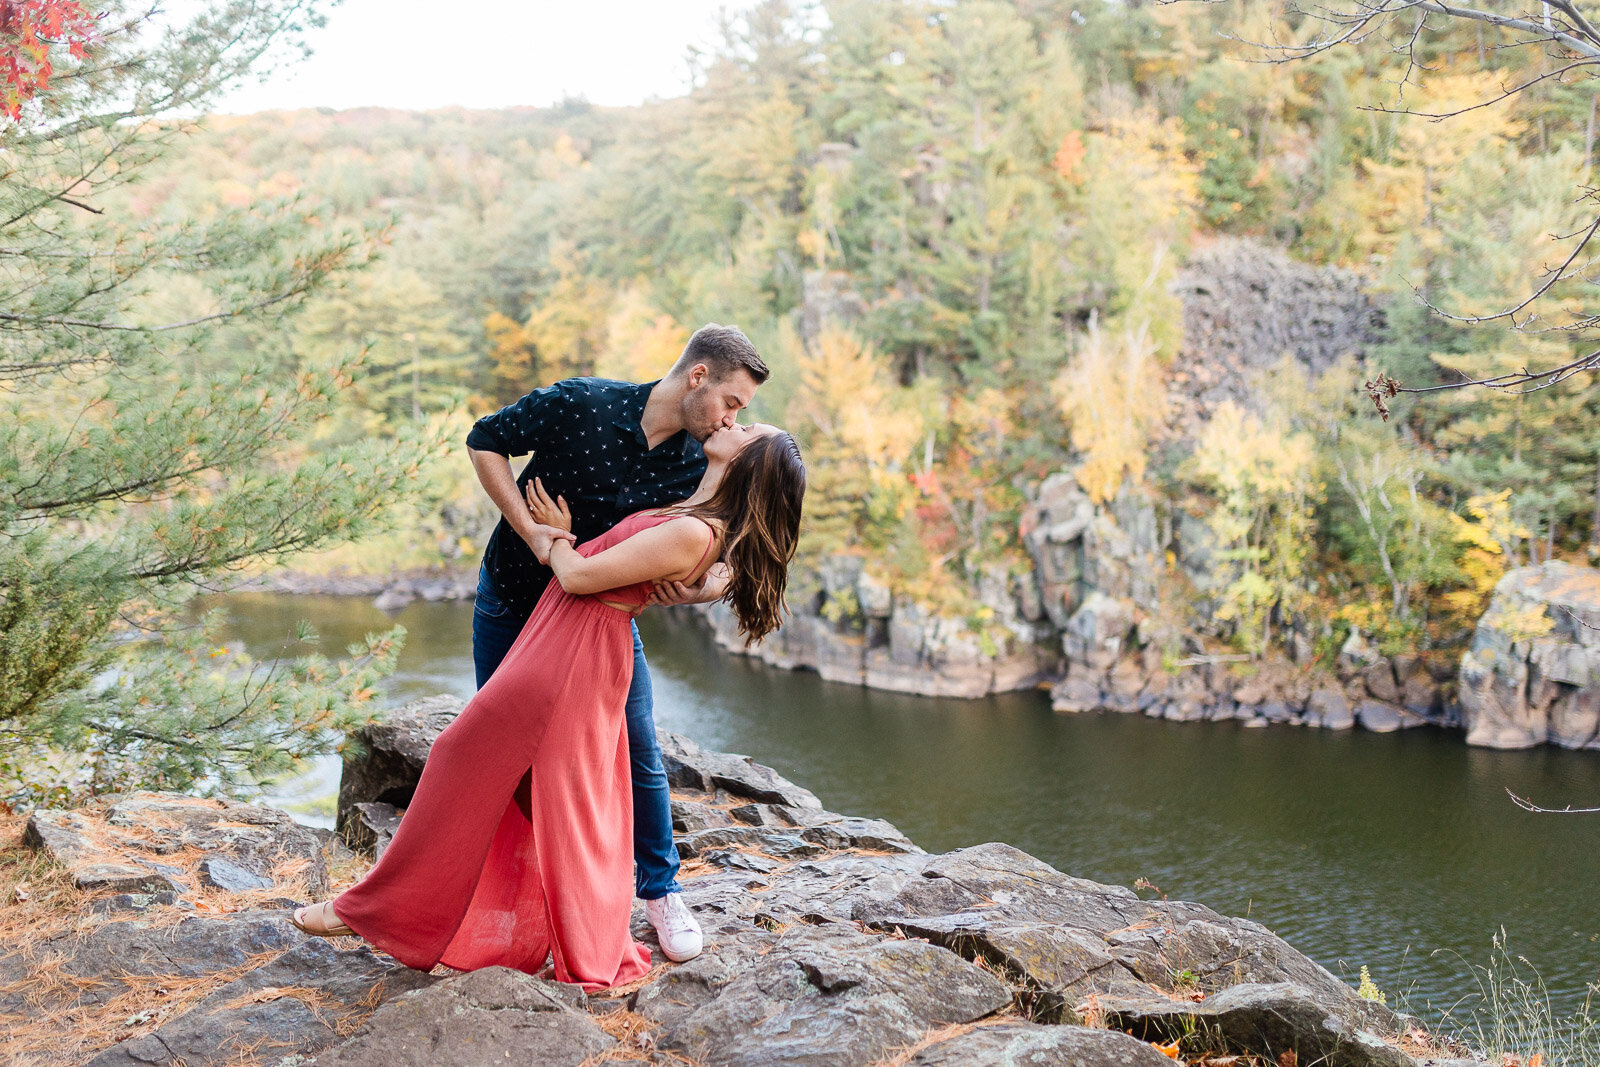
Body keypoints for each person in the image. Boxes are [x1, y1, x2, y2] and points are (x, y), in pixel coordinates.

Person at [290, 425, 805, 991]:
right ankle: (511, 926)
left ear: (751, 463)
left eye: (749, 427)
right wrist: (711, 577)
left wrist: (556, 536)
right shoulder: (692, 511)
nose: (735, 421)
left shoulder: (691, 530)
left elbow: (579, 576)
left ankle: (372, 912)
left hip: (573, 653)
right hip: (566, 641)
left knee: (467, 758)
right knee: (559, 798)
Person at [464, 323, 768, 961]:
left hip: (598, 624)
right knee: (503, 751)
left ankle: (660, 892)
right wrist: (534, 534)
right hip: (513, 603)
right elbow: (485, 440)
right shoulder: (582, 403)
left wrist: (701, 588)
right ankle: (520, 895)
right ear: (697, 377)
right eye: (732, 403)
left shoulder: (700, 463)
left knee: (638, 749)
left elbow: (733, 545)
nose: (732, 419)